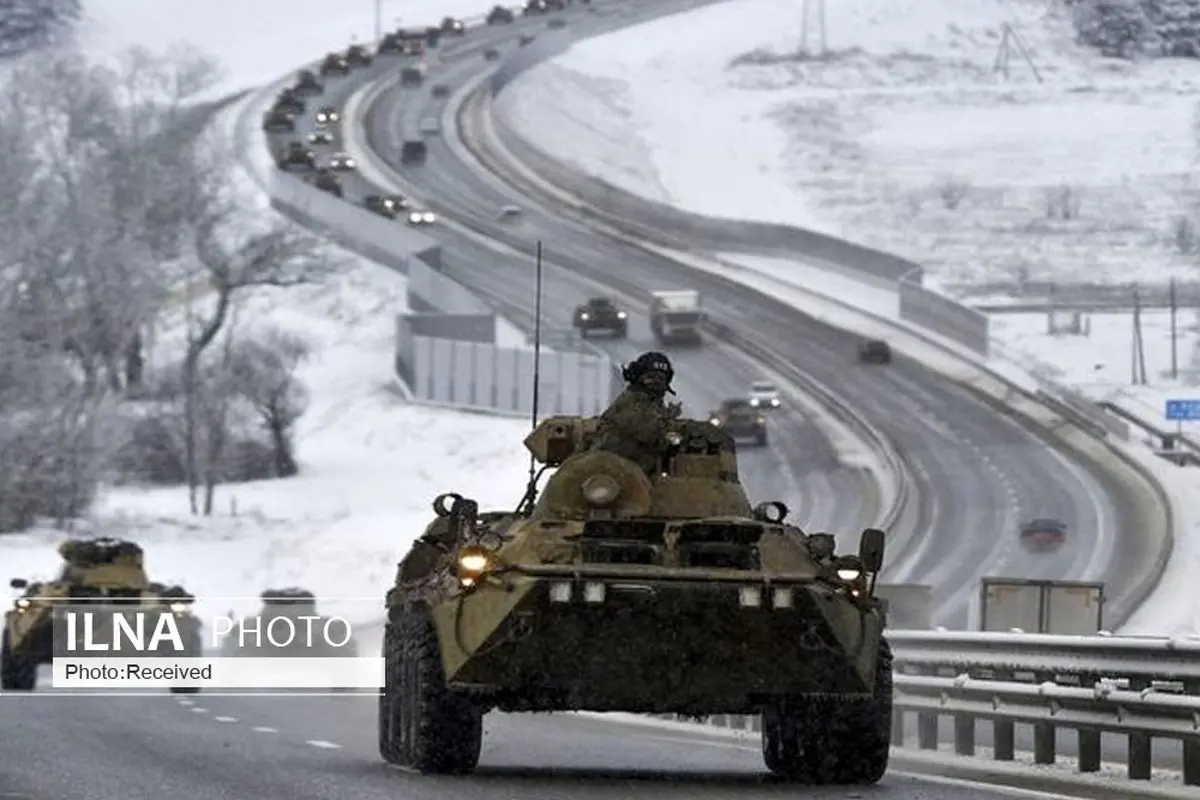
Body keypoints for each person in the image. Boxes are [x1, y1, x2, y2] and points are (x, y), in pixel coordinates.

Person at [589, 351, 682, 475]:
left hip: (632, 471)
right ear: (638, 377)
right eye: (650, 377)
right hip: (610, 471)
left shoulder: (653, 403)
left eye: (661, 378)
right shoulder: (632, 401)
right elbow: (651, 434)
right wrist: (668, 419)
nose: (656, 382)